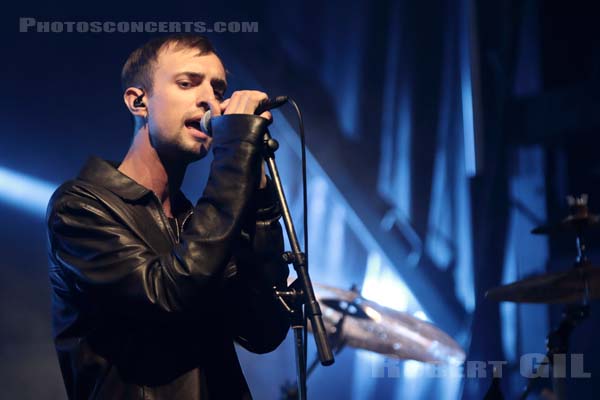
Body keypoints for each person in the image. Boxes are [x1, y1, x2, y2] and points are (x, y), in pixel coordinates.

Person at [46, 34, 291, 399]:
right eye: (187, 83)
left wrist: (258, 200)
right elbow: (166, 295)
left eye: (219, 89)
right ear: (139, 101)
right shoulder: (81, 206)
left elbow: (263, 331)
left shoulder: (200, 222)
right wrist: (234, 155)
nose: (210, 99)